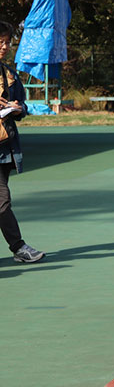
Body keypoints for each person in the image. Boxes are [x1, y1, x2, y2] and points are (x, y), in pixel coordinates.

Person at [0, 20, 44, 264]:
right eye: (0, 42)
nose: (5, 46)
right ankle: (18, 247)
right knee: (2, 201)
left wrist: (18, 108)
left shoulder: (10, 75)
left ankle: (18, 247)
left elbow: (23, 104)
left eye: (7, 42)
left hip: (4, 148)